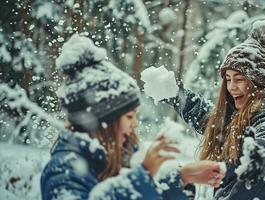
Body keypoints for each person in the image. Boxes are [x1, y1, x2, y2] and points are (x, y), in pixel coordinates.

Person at [40, 34, 225, 200]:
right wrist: (143, 175)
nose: (135, 124)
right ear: (102, 121)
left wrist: (183, 177)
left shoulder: (119, 155)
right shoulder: (64, 171)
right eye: (129, 117)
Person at [163, 20, 265, 199]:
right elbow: (205, 116)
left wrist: (259, 153)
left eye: (239, 79)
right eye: (228, 78)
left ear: (257, 83)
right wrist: (174, 93)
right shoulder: (237, 117)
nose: (231, 87)